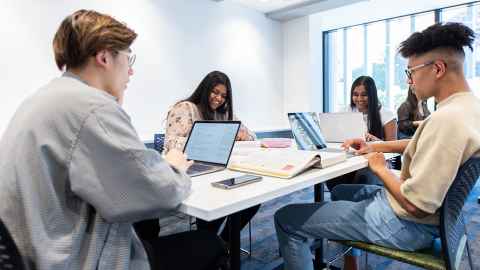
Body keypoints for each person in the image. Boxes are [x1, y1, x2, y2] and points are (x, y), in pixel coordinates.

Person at [0, 9, 226, 270]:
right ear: (105, 56)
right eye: (128, 59)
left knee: (146, 226)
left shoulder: (47, 98)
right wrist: (174, 165)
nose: (130, 72)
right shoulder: (92, 108)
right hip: (72, 261)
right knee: (210, 244)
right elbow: (163, 193)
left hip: (38, 251)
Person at [274, 22, 480, 270]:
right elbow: (422, 142)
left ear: (437, 68)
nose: (409, 82)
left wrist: (380, 168)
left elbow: (415, 205)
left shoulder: (446, 120)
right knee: (340, 193)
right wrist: (376, 147)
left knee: (286, 218)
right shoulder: (467, 109)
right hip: (432, 219)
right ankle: (350, 262)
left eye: (411, 72)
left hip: (405, 224)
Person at [165, 70, 260, 243]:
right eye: (215, 92)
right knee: (216, 204)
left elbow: (253, 137)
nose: (219, 98)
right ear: (204, 89)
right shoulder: (186, 108)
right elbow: (172, 147)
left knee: (253, 200)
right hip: (190, 170)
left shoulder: (224, 113)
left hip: (221, 170)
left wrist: (245, 135)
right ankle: (211, 246)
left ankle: (222, 245)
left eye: (223, 95)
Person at [327, 76, 398, 190]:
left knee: (362, 178)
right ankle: (343, 202)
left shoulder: (386, 114)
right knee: (333, 175)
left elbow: (393, 148)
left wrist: (374, 141)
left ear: (372, 95)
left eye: (364, 94)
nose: (359, 98)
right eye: (355, 94)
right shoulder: (346, 111)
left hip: (377, 159)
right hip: (352, 156)